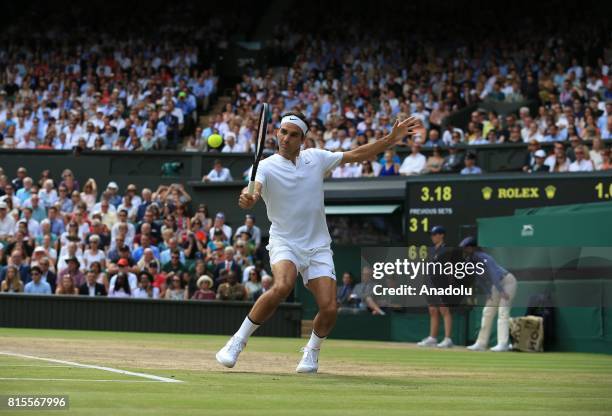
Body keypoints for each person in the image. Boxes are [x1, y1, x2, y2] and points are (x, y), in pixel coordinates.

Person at [216, 111, 421, 373]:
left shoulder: (317, 158)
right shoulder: (265, 166)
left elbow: (357, 154)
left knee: (330, 307)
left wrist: (391, 138)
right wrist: (248, 197)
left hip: (318, 246)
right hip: (284, 242)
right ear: (277, 133)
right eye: (282, 132)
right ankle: (238, 341)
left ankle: (311, 352)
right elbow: (252, 191)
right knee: (282, 286)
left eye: (293, 134)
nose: (286, 138)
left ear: (303, 138)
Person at [461, 237, 517, 352]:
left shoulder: (484, 258)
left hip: (507, 282)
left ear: (472, 247)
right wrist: (487, 291)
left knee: (503, 312)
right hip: (496, 285)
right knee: (487, 312)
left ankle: (503, 344)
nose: (464, 250)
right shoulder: (470, 260)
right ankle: (481, 343)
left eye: (466, 247)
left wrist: (501, 291)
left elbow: (493, 274)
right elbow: (479, 278)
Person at [417, 226, 453, 348]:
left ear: (441, 235)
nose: (432, 237)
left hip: (442, 284)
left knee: (444, 310)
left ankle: (448, 339)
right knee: (432, 310)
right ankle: (432, 338)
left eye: (434, 234)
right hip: (430, 283)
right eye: (431, 234)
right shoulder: (431, 250)